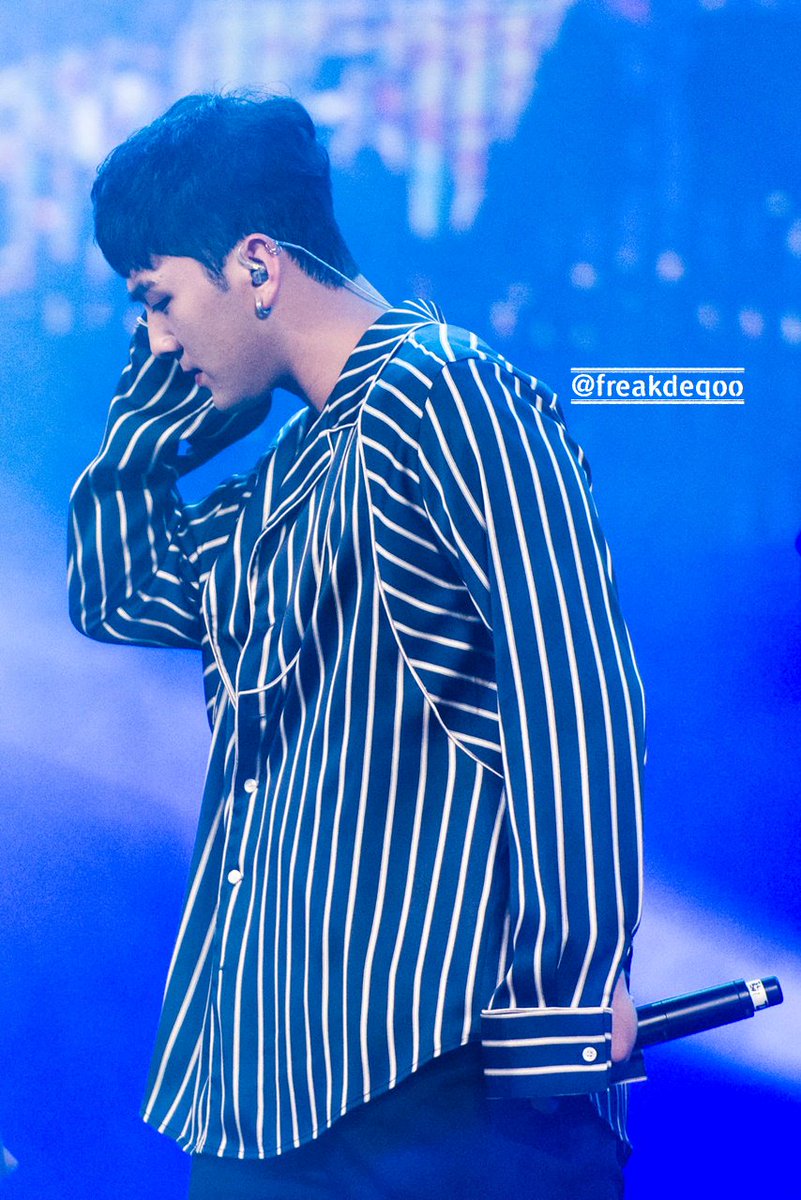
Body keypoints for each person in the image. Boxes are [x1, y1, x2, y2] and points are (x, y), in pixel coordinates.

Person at [68, 92, 646, 1199]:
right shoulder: (289, 474)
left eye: (158, 300)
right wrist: (159, 412)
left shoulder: (450, 393)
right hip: (257, 1079)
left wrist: (570, 980)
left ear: (256, 265)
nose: (156, 340)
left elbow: (572, 690)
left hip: (436, 1077)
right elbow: (118, 591)